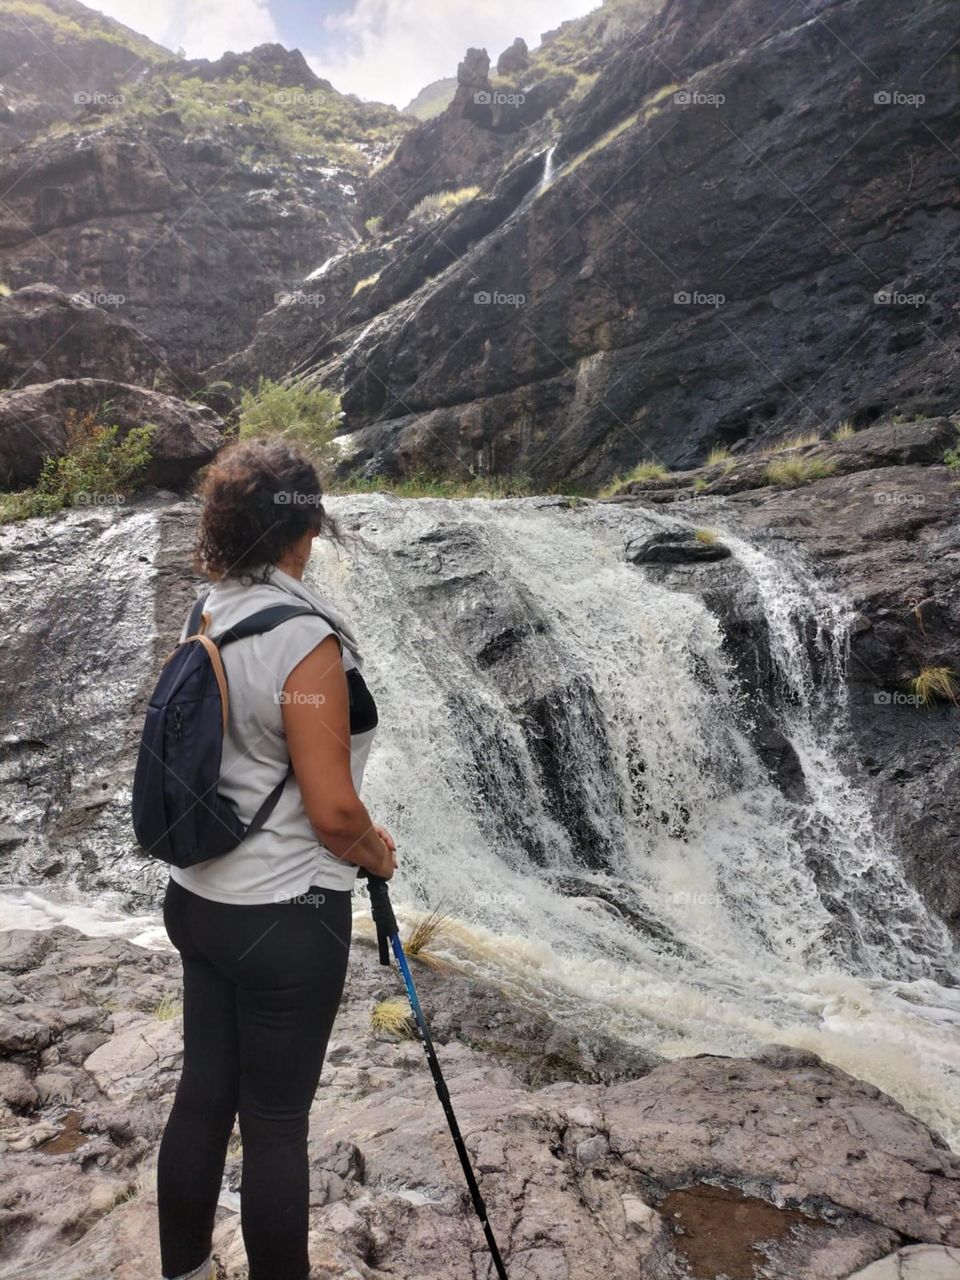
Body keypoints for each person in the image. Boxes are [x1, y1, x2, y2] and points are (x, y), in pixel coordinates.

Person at [157, 439, 396, 1280]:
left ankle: (183, 1272)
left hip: (197, 899)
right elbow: (333, 811)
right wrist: (378, 852)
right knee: (275, 1124)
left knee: (203, 1094)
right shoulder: (305, 639)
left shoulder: (205, 612)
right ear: (302, 533)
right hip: (286, 917)